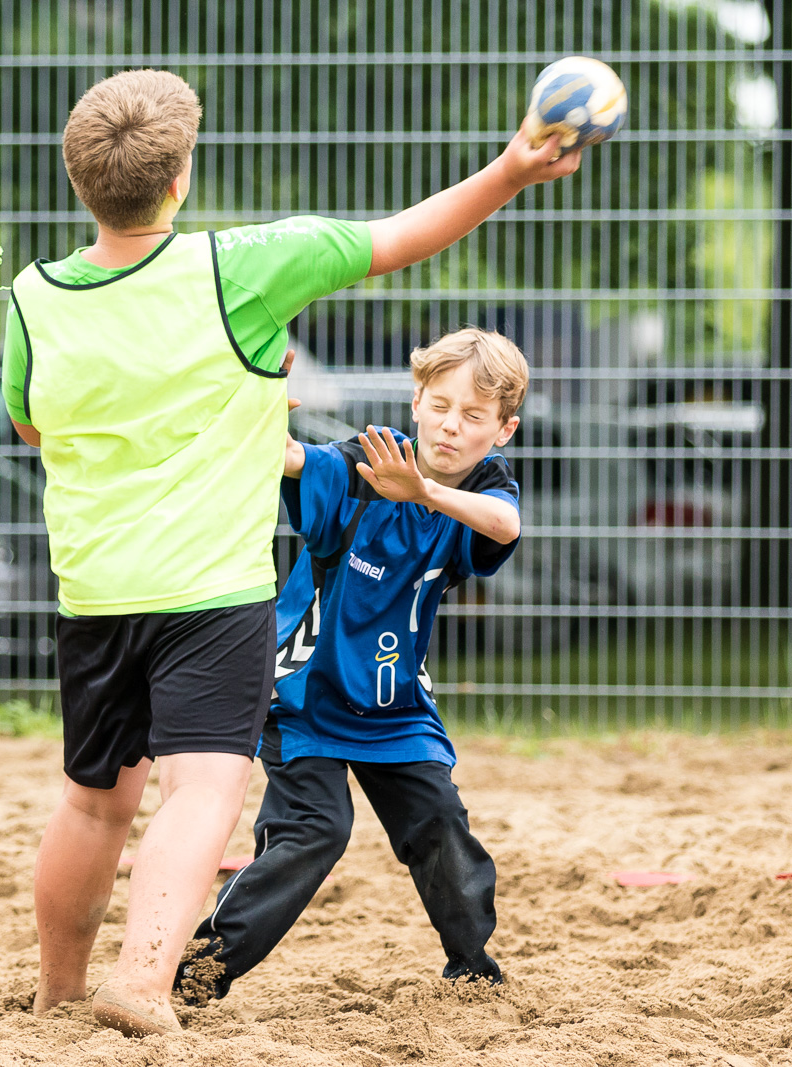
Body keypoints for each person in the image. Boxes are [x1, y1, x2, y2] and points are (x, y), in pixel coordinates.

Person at [5, 69, 580, 1037]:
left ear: (78, 182)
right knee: (201, 790)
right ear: (180, 177)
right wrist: (510, 172)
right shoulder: (242, 267)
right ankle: (146, 982)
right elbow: (402, 236)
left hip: (95, 586)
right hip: (208, 588)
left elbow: (31, 426)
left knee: (94, 802)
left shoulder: (34, 293)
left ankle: (57, 986)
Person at [173, 328, 527, 1006]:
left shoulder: (484, 487)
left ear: (503, 429)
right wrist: (257, 403)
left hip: (395, 707)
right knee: (317, 831)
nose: (453, 424)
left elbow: (504, 525)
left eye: (475, 415)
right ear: (416, 399)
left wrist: (423, 490)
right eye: (441, 404)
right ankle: (201, 966)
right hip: (304, 693)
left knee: (440, 824)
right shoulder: (361, 465)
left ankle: (472, 970)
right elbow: (288, 456)